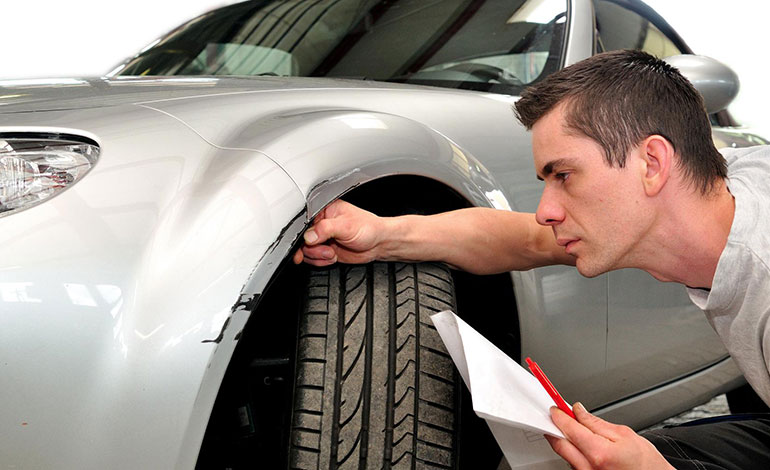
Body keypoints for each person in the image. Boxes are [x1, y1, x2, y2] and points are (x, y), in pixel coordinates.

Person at [293, 49, 770, 470]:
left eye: (563, 175)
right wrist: (382, 236)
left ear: (651, 163)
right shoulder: (730, 189)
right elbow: (520, 240)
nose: (545, 211)